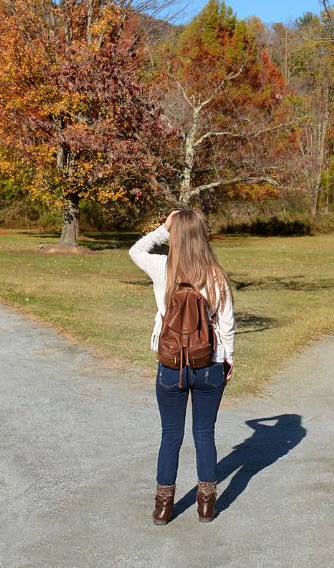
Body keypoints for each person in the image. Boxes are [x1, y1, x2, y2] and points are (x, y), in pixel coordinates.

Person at [129, 208, 236, 525]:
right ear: (203, 237)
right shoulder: (216, 276)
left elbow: (135, 250)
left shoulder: (162, 268)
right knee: (204, 434)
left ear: (174, 236)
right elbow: (227, 326)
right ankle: (206, 505)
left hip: (171, 364)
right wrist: (227, 362)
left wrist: (163, 227)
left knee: (170, 436)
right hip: (209, 364)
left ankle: (163, 507)